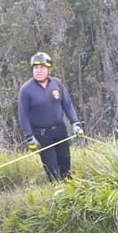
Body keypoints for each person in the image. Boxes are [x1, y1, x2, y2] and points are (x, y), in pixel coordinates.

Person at [17, 52, 84, 181]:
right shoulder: (26, 90)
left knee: (65, 165)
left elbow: (67, 105)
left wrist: (75, 123)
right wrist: (29, 137)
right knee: (52, 168)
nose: (38, 70)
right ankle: (55, 188)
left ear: (49, 69)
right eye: (35, 68)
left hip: (60, 130)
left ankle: (68, 188)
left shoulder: (57, 84)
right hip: (42, 134)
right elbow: (23, 115)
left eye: (42, 67)